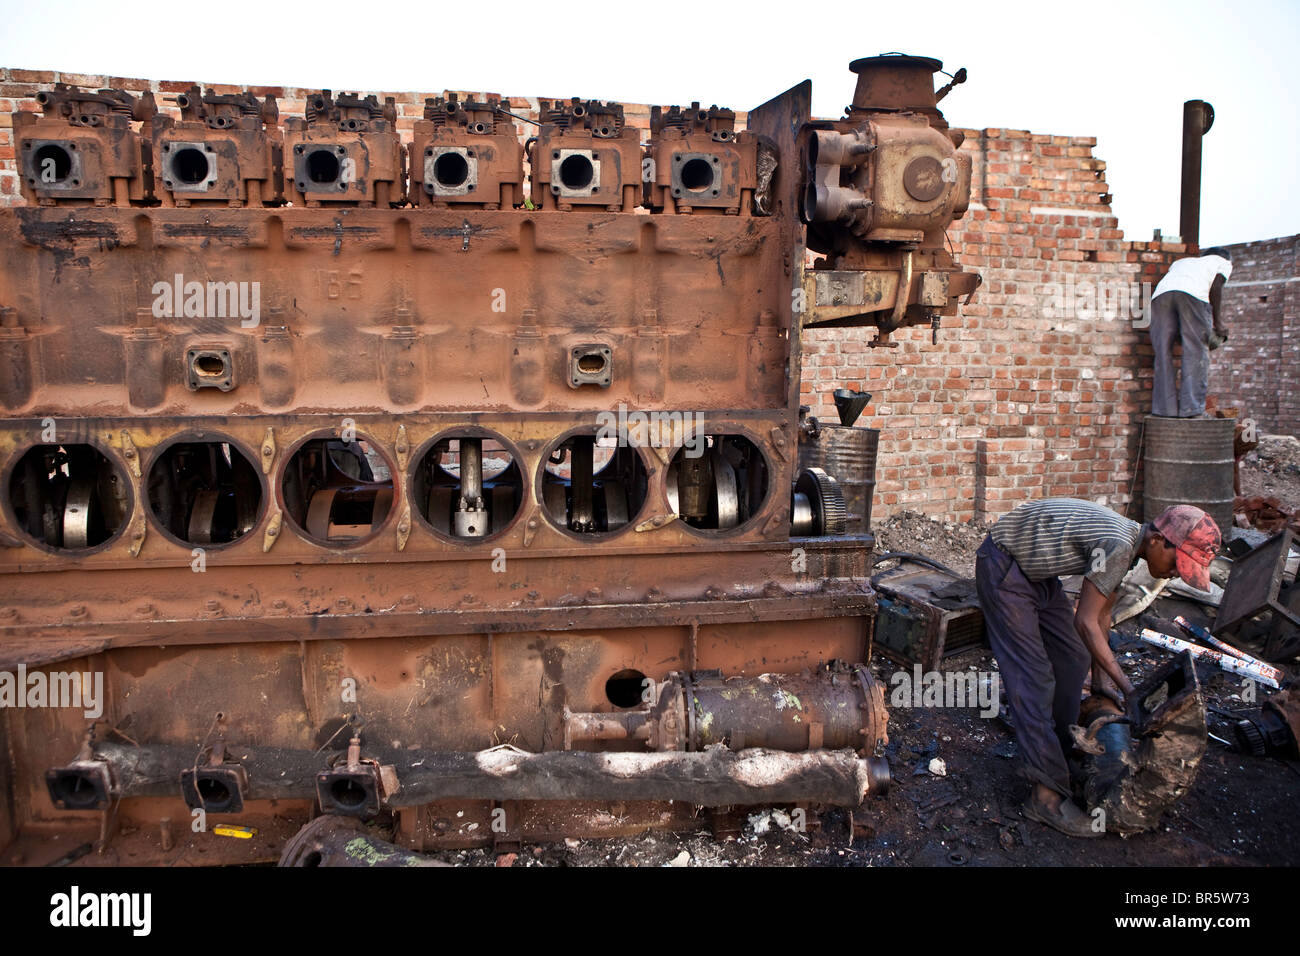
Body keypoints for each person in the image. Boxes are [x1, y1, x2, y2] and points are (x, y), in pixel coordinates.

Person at [974, 498, 1220, 837]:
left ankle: (1056, 753)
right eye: (1177, 562)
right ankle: (1044, 798)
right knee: (1033, 679)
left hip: (1037, 576)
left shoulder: (1129, 546)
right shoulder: (1120, 544)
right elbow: (1086, 622)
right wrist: (1130, 691)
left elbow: (1102, 614)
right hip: (1004, 565)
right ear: (1159, 539)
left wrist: (1104, 683)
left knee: (1074, 659)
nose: (1176, 572)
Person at [1147, 246, 1233, 417]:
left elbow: (1177, 290)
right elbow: (1216, 288)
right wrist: (1218, 323)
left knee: (1163, 353)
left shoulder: (1182, 262)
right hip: (1193, 295)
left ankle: (1164, 410)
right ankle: (1191, 408)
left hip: (1160, 296)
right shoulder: (1222, 262)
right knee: (1195, 352)